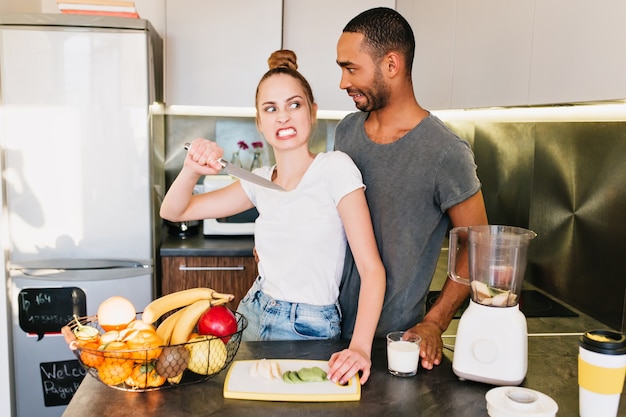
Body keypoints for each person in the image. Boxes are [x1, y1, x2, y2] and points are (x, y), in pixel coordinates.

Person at [160, 50, 386, 385]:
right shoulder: (258, 181)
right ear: (260, 122)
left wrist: (360, 348)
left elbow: (372, 269)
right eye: (271, 109)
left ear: (313, 112)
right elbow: (174, 211)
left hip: (308, 326)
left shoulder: (335, 168)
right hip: (251, 312)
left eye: (294, 105)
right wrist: (192, 169)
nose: (283, 117)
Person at [333, 7, 488, 371]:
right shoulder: (345, 132)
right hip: (326, 327)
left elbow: (478, 244)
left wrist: (435, 320)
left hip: (395, 345)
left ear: (391, 64)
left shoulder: (445, 151)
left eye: (350, 68)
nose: (342, 82)